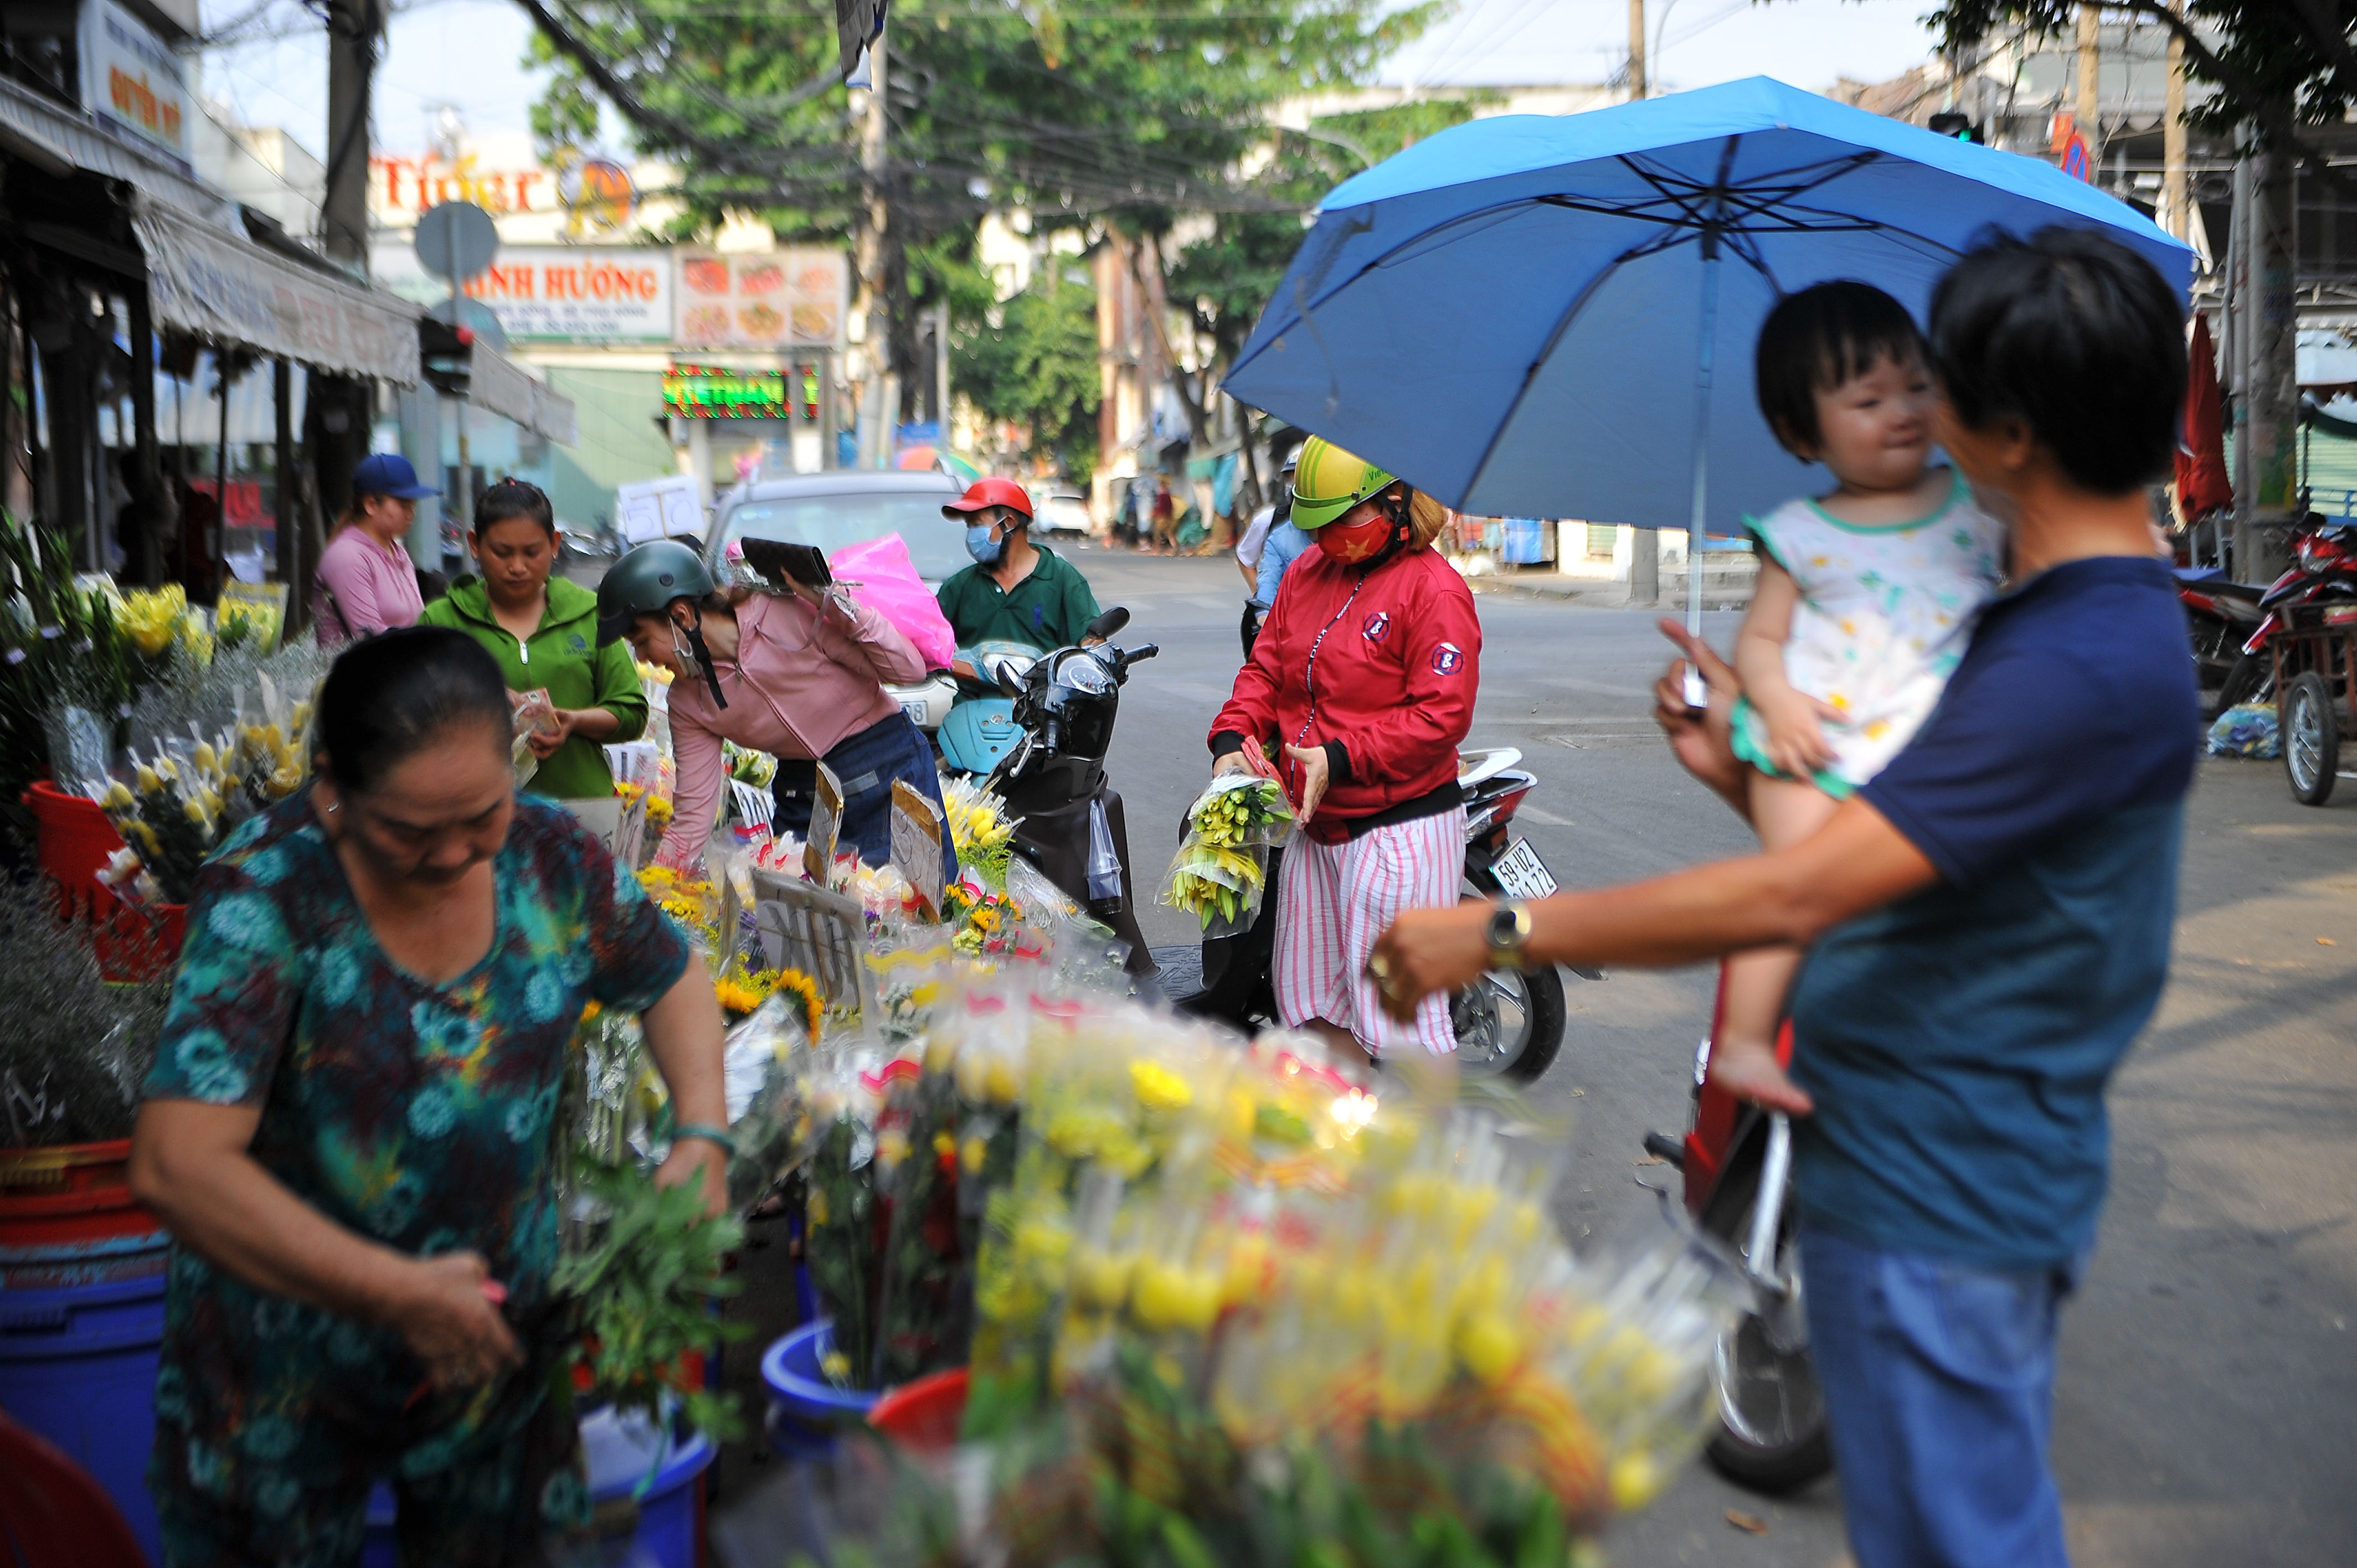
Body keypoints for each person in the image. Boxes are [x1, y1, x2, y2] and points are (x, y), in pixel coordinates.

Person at [1368, 227, 2197, 1568]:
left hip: (1946, 1189)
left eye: (1939, 384)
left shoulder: (2081, 659)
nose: (1916, 411)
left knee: (1959, 1539)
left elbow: (1809, 887)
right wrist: (1738, 781)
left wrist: (1496, 928)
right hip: (1917, 1162)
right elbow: (1892, 866)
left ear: (2010, 434)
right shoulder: (2047, 620)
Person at [126, 626, 728, 1565]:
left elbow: (671, 976)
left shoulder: (550, 859)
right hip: (282, 1376)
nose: (454, 854)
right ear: (334, 783)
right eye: (411, 829)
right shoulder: (270, 891)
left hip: (493, 1363)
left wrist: (701, 1131)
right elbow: (177, 1163)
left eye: (481, 814)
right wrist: (395, 1291)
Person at [1710, 282, 2005, 1114]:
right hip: (1818, 749)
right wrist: (1777, 702)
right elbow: (1761, 643)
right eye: (1868, 399)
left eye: (1917, 385)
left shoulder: (1975, 506)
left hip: (1930, 752)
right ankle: (1742, 1044)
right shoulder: (1799, 533)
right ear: (1803, 431)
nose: (1902, 410)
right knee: (1792, 888)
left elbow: (2045, 565)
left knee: (1956, 911)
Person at [1208, 436, 1479, 1063]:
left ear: (1396, 503)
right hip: (1315, 830)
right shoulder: (1305, 573)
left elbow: (1441, 715)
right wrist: (1231, 740)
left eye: (1341, 520)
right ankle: (1341, 1149)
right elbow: (1265, 669)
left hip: (1397, 834)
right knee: (1310, 1011)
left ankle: (1422, 1158)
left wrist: (1342, 757)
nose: (1326, 536)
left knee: (1399, 1025)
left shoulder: (1433, 592)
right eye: (1316, 523)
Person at [600, 538, 958, 884]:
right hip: (802, 797)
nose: (644, 659)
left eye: (642, 641)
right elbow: (693, 815)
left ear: (680, 615)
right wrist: (655, 886)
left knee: (912, 922)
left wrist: (834, 604)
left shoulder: (788, 614)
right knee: (809, 937)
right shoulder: (687, 702)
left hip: (886, 773)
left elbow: (908, 671)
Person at [419, 478, 649, 801]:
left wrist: (573, 721)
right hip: (473, 812)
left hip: (580, 810)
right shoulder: (441, 621)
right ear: (474, 544)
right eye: (501, 553)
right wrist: (480, 701)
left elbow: (632, 713)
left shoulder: (588, 614)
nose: (517, 567)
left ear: (555, 544)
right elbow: (415, 714)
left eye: (532, 552)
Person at [934, 477, 1103, 664]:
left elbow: (1091, 641)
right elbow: (930, 640)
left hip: (1045, 693)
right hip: (973, 693)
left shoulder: (1063, 579)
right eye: (969, 526)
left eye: (977, 524)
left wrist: (1094, 648)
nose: (971, 535)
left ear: (1009, 523)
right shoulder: (960, 586)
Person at [315, 452, 438, 643]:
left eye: (413, 505)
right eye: (403, 504)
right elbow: (372, 644)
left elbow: (416, 622)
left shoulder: (399, 553)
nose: (411, 513)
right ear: (371, 505)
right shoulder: (346, 557)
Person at [1235, 448, 1308, 659]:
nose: (1294, 484)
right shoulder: (1273, 526)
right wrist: (1264, 600)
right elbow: (1246, 557)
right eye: (1290, 478)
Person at [1150, 477, 1177, 555]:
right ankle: (1175, 547)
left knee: (1157, 535)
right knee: (1170, 534)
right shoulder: (1168, 496)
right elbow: (1171, 508)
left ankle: (1156, 550)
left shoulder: (1162, 497)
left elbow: (1160, 507)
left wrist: (1154, 514)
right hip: (1168, 517)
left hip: (1162, 518)